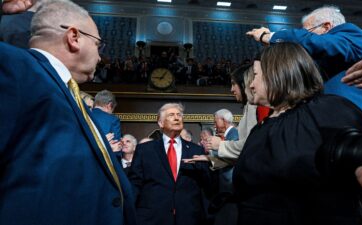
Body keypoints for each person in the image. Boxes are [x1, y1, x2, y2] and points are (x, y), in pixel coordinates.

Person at [0, 1, 136, 224]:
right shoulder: (16, 67)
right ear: (74, 37)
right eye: (98, 44)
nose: (101, 57)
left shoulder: (75, 98)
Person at [233, 42, 362, 225]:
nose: (251, 85)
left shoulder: (328, 111)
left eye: (256, 75)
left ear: (278, 72)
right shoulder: (261, 128)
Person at [246, 5, 362, 124]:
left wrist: (271, 36)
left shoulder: (351, 34)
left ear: (326, 27)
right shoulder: (330, 56)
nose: (304, 37)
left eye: (307, 31)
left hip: (361, 124)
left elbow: (316, 43)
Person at [128, 103, 211, 225]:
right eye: (171, 115)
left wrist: (208, 163)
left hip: (188, 217)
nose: (177, 118)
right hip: (152, 218)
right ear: (160, 123)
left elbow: (206, 185)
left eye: (179, 115)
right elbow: (135, 185)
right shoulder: (144, 150)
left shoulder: (196, 150)